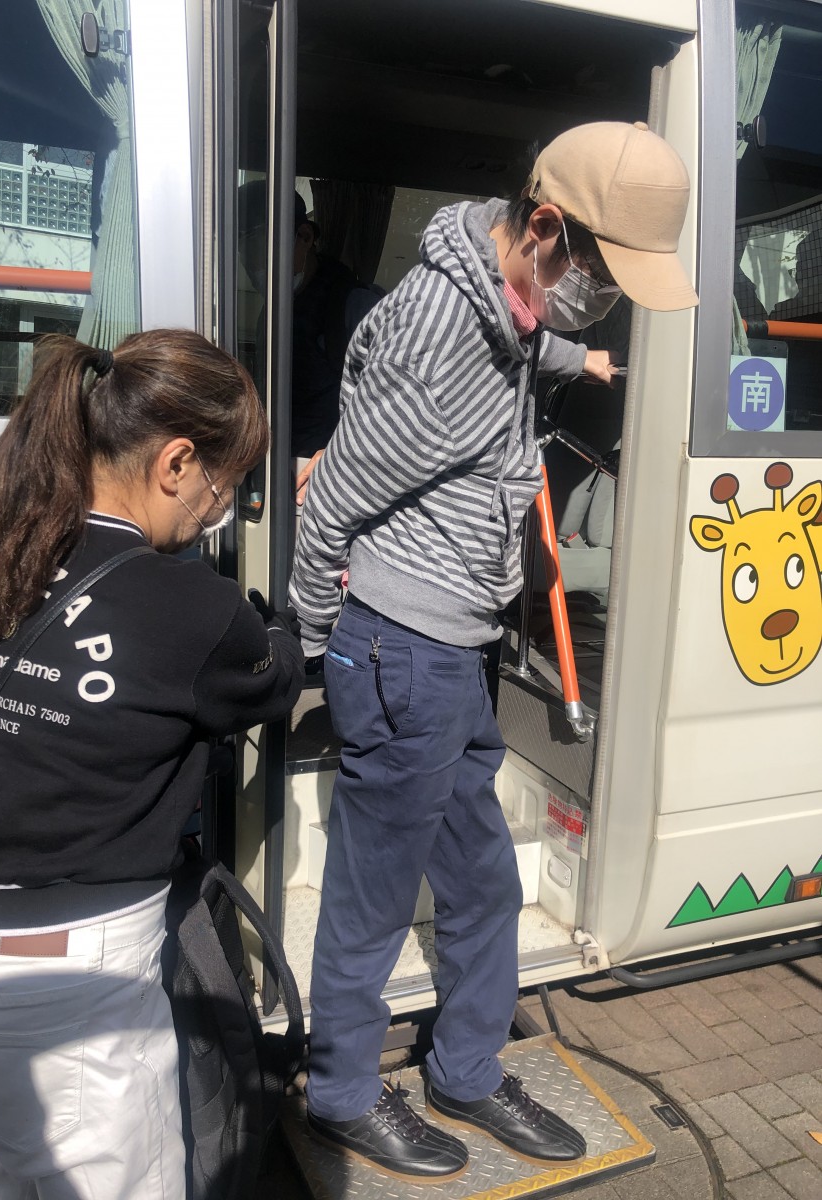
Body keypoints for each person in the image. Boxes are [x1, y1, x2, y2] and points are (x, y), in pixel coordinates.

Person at [289, 121, 698, 1181]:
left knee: (481, 884)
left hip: (456, 646)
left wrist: (580, 355)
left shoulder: (506, 295)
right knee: (374, 901)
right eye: (603, 281)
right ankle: (341, 1093)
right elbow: (332, 502)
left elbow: (522, 342)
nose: (601, 303)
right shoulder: (439, 338)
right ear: (546, 228)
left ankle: (465, 1070)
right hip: (403, 646)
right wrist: (315, 645)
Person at [0, 330, 305, 1199]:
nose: (221, 508)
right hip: (68, 990)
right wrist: (278, 624)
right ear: (177, 463)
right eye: (226, 484)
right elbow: (272, 679)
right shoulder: (193, 608)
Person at [237, 182, 380, 498]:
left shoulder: (355, 307)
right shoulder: (270, 313)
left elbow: (395, 404)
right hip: (278, 478)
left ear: (304, 236)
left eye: (258, 243)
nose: (252, 264)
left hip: (336, 481)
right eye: (241, 251)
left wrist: (344, 453)